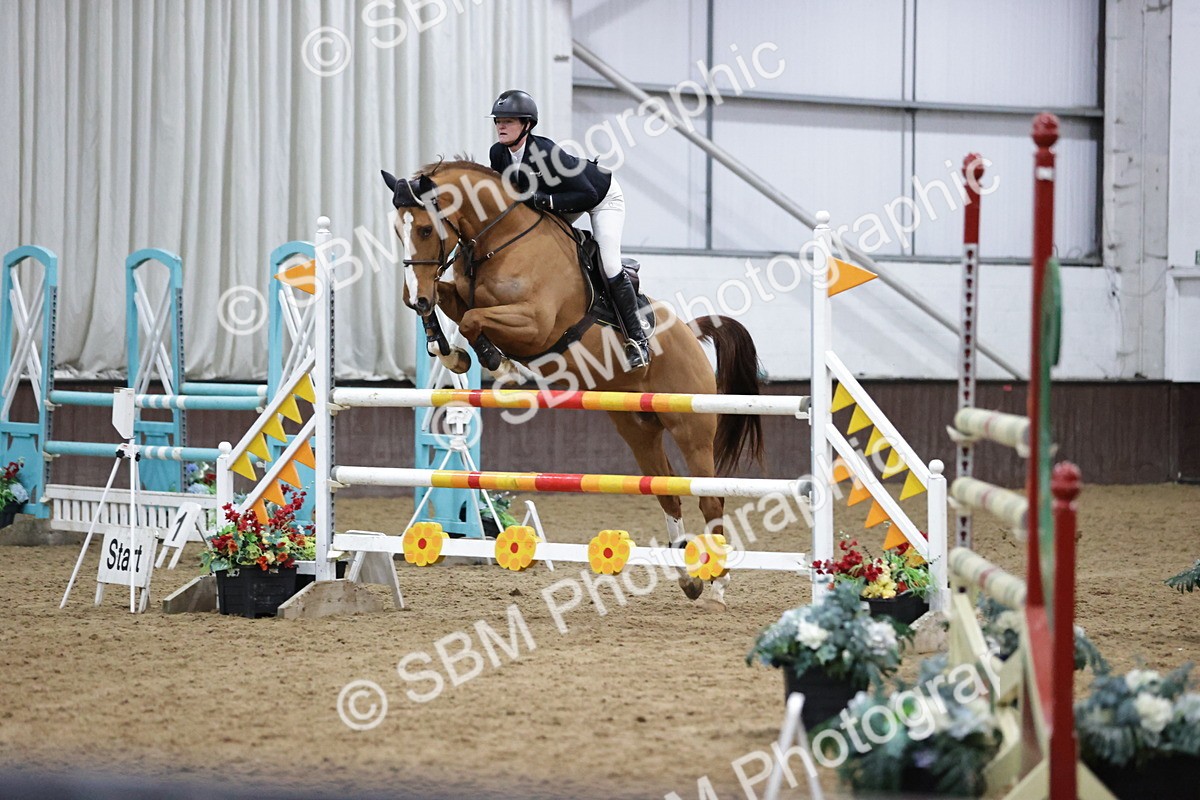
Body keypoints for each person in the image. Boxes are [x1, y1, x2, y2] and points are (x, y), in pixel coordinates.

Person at [487, 89, 650, 370]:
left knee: (609, 264)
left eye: (509, 121)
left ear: (527, 125)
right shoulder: (498, 154)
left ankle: (638, 340)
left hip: (601, 197)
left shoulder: (545, 152)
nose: (501, 126)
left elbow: (586, 194)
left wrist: (544, 201)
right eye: (498, 121)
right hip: (560, 201)